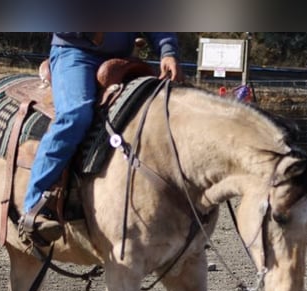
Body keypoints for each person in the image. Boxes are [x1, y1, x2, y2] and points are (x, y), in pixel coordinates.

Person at [19, 32, 184, 244]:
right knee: (75, 115)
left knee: (153, 113)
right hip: (75, 53)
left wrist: (168, 51)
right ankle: (33, 207)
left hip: (122, 59)